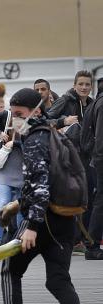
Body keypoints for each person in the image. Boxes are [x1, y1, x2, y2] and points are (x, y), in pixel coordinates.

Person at [0, 88, 96, 304]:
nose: (15, 120)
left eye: (19, 114)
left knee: (9, 270)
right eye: (12, 115)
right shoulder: (54, 134)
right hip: (66, 219)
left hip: (42, 221)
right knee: (57, 279)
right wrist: (16, 205)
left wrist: (31, 225)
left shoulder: (34, 140)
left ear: (36, 111)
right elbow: (48, 182)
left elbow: (40, 186)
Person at [47, 70, 94, 253]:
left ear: (91, 87)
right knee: (72, 198)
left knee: (87, 198)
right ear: (74, 85)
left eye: (87, 84)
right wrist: (63, 121)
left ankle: (83, 238)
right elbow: (45, 120)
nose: (84, 87)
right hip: (67, 158)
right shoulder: (65, 100)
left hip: (87, 158)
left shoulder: (92, 104)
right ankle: (72, 240)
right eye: (80, 84)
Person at [0, 107, 23, 247]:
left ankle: (19, 239)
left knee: (20, 205)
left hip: (21, 166)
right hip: (3, 166)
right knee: (2, 202)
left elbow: (33, 140)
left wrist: (15, 143)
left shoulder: (31, 118)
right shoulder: (6, 115)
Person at [84, 79, 103, 260]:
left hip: (97, 159)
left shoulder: (96, 102)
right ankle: (93, 245)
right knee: (100, 201)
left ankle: (93, 243)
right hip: (100, 159)